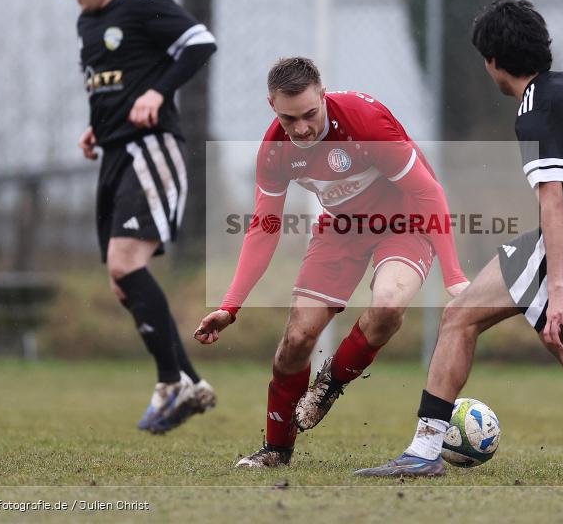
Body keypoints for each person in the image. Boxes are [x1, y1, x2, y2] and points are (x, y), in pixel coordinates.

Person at [355, 0, 563, 477]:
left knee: (458, 318)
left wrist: (557, 288)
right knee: (557, 332)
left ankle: (424, 452)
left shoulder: (534, 110)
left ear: (493, 62)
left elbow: (552, 202)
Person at [194, 57, 469, 468]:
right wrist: (230, 306)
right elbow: (265, 228)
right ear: (272, 106)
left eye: (310, 114)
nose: (302, 128)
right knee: (297, 339)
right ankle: (276, 451)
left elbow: (428, 193)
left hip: (406, 221)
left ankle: (329, 384)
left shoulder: (365, 122)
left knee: (388, 306)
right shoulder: (275, 150)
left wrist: (454, 277)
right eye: (290, 119)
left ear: (323, 95)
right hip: (341, 227)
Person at [50, 0, 218, 434]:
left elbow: (200, 43)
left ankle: (171, 382)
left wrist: (158, 92)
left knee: (126, 265)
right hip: (114, 153)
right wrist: (96, 127)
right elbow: (107, 83)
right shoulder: (87, 22)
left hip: (151, 149)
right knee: (121, 281)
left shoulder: (143, 2)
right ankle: (190, 382)